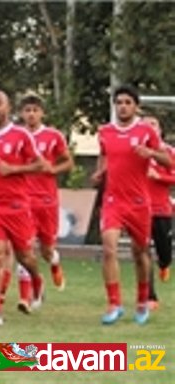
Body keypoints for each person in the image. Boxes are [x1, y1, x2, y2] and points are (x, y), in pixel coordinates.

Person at [91, 85, 172, 325]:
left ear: (136, 106)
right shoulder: (105, 132)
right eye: (119, 102)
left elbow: (167, 160)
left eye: (127, 102)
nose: (123, 106)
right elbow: (104, 156)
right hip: (113, 201)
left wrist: (150, 153)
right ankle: (114, 304)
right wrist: (100, 173)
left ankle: (141, 300)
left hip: (138, 201)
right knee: (108, 248)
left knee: (140, 253)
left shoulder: (146, 131)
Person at [0, 90, 46, 327]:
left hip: (17, 206)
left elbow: (40, 165)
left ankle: (37, 279)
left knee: (25, 256)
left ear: (8, 108)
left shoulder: (21, 135)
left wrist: (13, 170)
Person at [17, 94, 74, 312]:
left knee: (47, 250)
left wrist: (53, 169)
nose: (31, 114)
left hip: (48, 201)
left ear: (42, 113)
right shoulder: (17, 136)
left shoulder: (53, 136)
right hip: (23, 202)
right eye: (27, 110)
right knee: (25, 249)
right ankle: (27, 297)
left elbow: (68, 162)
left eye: (35, 110)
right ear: (22, 114)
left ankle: (55, 262)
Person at [143, 113, 174, 310]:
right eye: (146, 125)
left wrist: (158, 177)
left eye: (153, 124)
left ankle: (164, 264)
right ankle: (150, 296)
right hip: (139, 209)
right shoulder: (136, 152)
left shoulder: (168, 152)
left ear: (160, 129)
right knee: (143, 252)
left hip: (162, 209)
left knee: (165, 251)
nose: (150, 128)